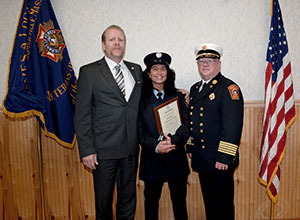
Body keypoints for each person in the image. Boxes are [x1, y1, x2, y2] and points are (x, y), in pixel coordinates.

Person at [74, 25, 143, 220]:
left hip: (130, 149)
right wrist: (86, 149)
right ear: (104, 45)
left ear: (125, 44)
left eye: (120, 39)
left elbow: (148, 97)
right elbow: (82, 114)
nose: (117, 43)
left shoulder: (136, 70)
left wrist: (177, 92)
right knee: (103, 204)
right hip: (103, 151)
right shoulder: (89, 72)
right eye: (112, 39)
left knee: (128, 202)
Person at [187, 43, 244, 220]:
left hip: (220, 160)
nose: (205, 64)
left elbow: (232, 126)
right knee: (210, 204)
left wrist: (224, 157)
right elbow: (193, 121)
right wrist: (190, 147)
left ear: (219, 64)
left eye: (210, 60)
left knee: (223, 205)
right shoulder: (195, 89)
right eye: (201, 60)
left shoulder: (229, 88)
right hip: (203, 158)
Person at [137, 52, 190, 220]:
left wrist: (173, 141)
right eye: (155, 69)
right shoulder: (139, 99)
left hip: (176, 158)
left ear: (168, 72)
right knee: (151, 204)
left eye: (163, 69)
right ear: (148, 73)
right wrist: (156, 145)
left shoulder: (178, 96)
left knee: (180, 203)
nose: (159, 72)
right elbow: (138, 129)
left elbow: (187, 124)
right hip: (152, 158)